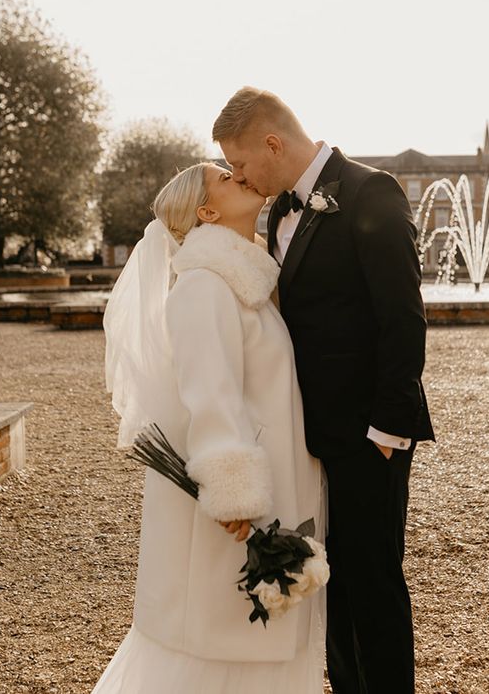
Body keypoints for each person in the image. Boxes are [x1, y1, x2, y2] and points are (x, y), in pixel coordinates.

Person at [213, 87, 436, 694]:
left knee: (373, 582)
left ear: (272, 143)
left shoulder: (370, 192)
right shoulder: (279, 210)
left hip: (369, 435)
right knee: (329, 584)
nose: (237, 175)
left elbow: (403, 317)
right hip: (308, 438)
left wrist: (386, 432)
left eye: (239, 162)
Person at [94, 162, 326, 693]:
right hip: (239, 510)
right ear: (207, 210)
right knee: (220, 647)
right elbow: (209, 395)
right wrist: (234, 497)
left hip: (275, 490)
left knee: (255, 644)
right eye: (224, 176)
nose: (240, 175)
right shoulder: (202, 287)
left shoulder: (248, 285)